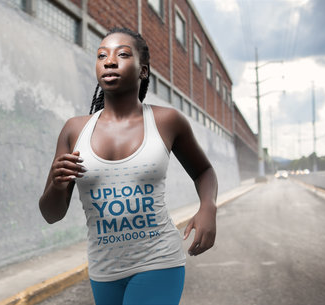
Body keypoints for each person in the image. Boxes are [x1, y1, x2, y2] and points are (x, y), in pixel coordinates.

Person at [39, 27, 218, 305]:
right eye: (101, 55)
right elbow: (52, 214)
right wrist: (56, 183)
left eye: (122, 54)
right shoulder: (74, 130)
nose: (109, 61)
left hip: (159, 260)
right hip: (104, 270)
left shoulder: (166, 121)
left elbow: (203, 171)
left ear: (143, 70)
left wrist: (208, 207)